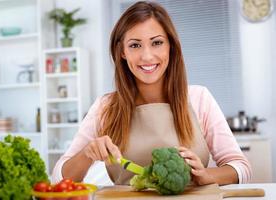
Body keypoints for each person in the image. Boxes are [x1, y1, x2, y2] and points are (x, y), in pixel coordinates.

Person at [52, 1, 251, 185]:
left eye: (157, 42)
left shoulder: (199, 98)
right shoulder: (105, 107)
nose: (147, 56)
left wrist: (206, 175)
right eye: (135, 45)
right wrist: (87, 154)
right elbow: (59, 178)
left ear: (170, 47)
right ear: (122, 52)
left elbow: (240, 167)